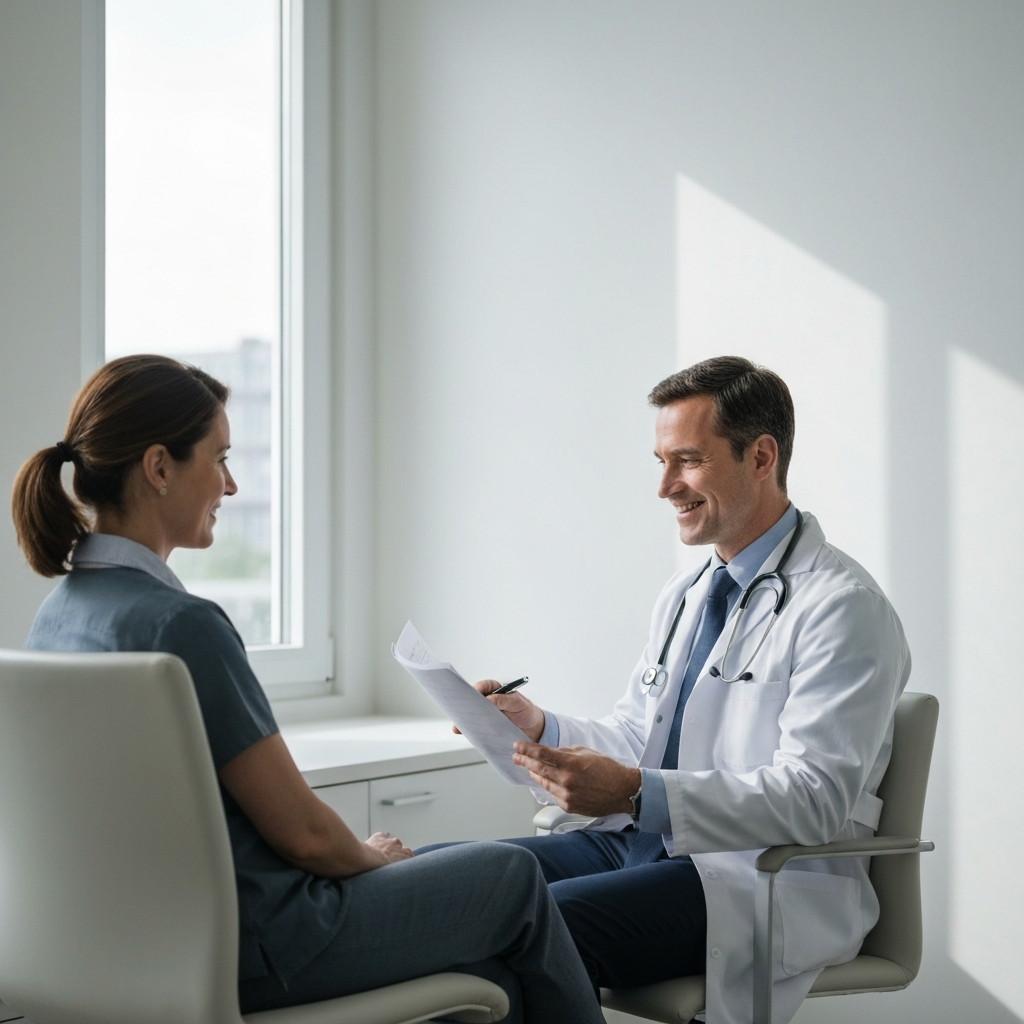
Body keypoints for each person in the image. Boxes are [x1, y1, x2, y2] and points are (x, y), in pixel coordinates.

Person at [11, 354, 604, 1024]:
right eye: (220, 457)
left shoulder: (58, 615)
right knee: (512, 878)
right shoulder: (182, 625)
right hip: (264, 944)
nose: (230, 485)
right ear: (157, 468)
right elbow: (306, 838)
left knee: (479, 944)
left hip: (133, 949)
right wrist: (370, 860)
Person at [445, 356, 911, 1024]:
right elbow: (640, 739)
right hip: (642, 843)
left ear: (760, 456)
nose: (665, 486)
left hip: (759, 875)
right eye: (661, 461)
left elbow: (815, 798)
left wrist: (637, 793)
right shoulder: (688, 593)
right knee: (450, 882)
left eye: (687, 460)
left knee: (542, 925)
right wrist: (536, 726)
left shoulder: (843, 607)